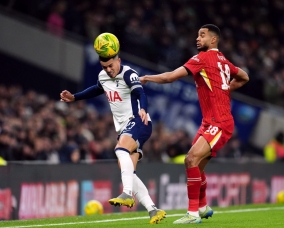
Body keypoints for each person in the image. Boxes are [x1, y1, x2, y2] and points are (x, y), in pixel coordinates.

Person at [140, 24, 249, 224]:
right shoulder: (224, 61)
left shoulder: (202, 59)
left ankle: (192, 214)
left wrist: (147, 77)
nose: (197, 38)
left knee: (191, 159)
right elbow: (244, 76)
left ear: (213, 39)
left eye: (202, 35)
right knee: (195, 165)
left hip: (219, 122)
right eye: (197, 34)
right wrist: (226, 90)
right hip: (209, 122)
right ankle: (203, 207)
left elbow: (170, 77)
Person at [60, 51, 166, 224]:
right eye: (105, 67)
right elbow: (96, 89)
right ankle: (153, 210)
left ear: (119, 60)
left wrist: (144, 109)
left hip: (139, 121)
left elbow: (141, 93)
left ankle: (127, 193)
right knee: (127, 168)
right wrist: (75, 97)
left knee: (120, 149)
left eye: (111, 65)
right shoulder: (103, 76)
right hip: (124, 127)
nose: (108, 70)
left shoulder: (128, 74)